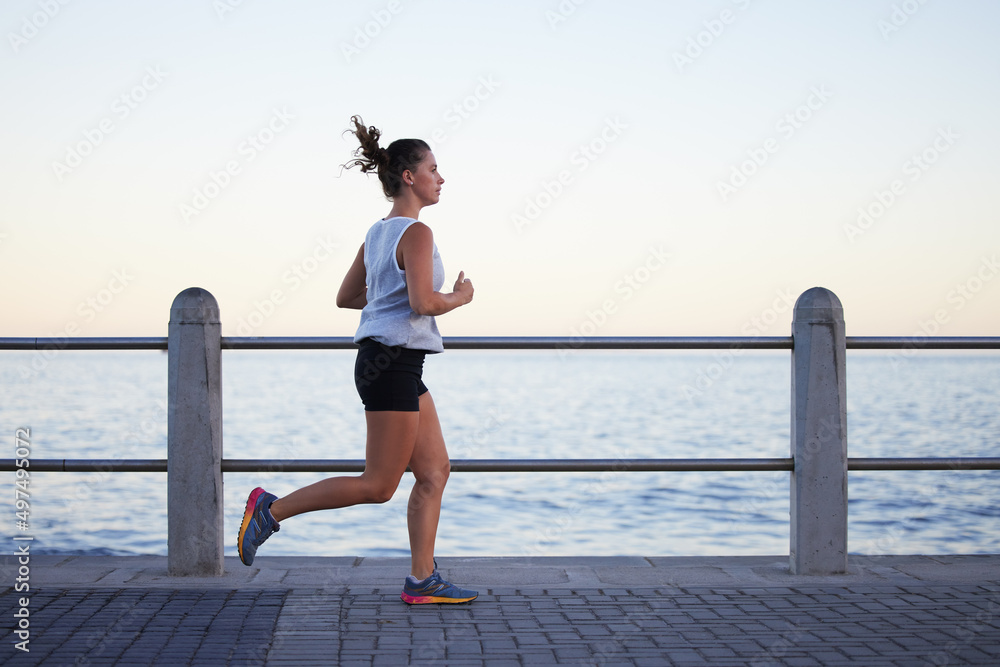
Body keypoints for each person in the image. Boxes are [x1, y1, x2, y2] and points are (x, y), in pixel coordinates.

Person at [237, 115, 477, 604]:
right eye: (434, 168)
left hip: (398, 365)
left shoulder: (377, 233)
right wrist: (459, 297)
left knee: (434, 472)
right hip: (391, 364)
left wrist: (391, 295)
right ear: (409, 177)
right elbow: (422, 304)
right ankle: (270, 509)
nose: (441, 177)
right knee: (378, 485)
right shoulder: (416, 232)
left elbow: (349, 297)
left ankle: (422, 580)